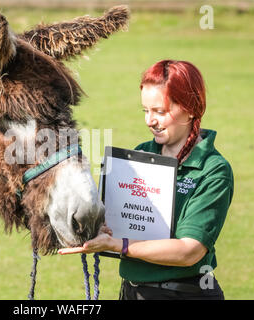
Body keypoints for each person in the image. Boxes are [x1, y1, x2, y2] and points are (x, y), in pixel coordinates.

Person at [59, 60, 234, 300]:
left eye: (160, 112)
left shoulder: (213, 170)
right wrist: (94, 228)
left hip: (184, 293)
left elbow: (189, 251)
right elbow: (119, 222)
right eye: (145, 111)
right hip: (132, 291)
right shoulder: (139, 154)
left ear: (191, 108)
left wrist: (119, 245)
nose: (149, 121)